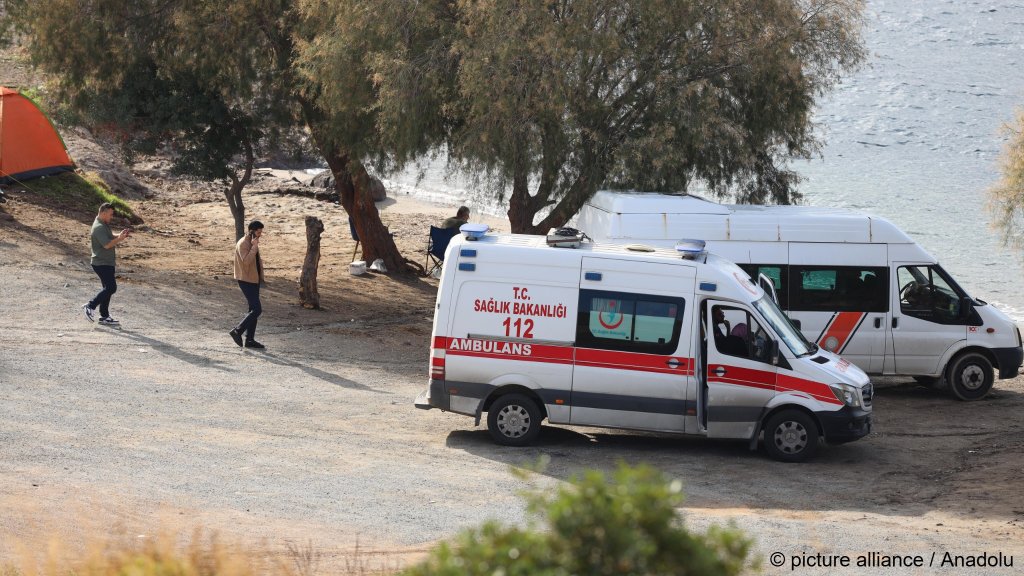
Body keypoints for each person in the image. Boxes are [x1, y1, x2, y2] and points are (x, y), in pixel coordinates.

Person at [83, 203, 131, 327]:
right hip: (101, 263)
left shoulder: (103, 224)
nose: (111, 217)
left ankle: (104, 316)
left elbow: (109, 237)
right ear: (103, 213)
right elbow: (107, 245)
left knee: (107, 288)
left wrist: (120, 235)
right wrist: (119, 239)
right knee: (111, 288)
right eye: (110, 214)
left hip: (106, 262)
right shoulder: (98, 227)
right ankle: (90, 306)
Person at [230, 220, 266, 349]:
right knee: (257, 309)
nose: (260, 234)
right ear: (251, 230)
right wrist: (254, 247)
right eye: (258, 231)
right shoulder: (243, 243)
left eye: (261, 232)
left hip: (253, 280)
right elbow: (246, 261)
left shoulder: (252, 241)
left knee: (253, 310)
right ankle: (237, 331)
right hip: (245, 280)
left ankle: (249, 340)